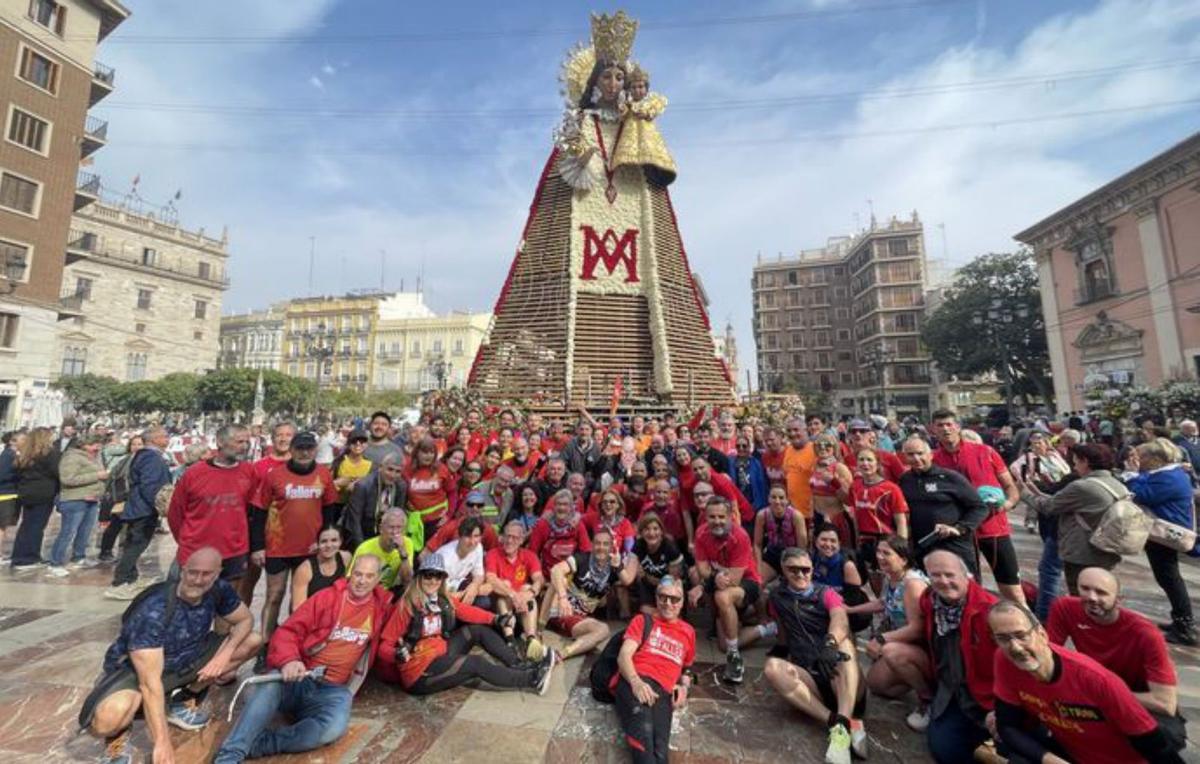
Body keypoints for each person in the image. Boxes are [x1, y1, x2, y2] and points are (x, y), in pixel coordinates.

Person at [83, 547, 261, 764]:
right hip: (135, 673)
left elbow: (245, 620)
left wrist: (224, 655)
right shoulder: (154, 610)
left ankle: (182, 700)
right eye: (192, 572)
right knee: (108, 719)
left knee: (253, 640)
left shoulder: (219, 590)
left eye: (206, 574)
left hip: (187, 659)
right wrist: (162, 742)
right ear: (182, 570)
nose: (197, 580)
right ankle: (118, 737)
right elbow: (150, 683)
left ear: (217, 574)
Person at [214, 554, 390, 764]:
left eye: (369, 576)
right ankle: (230, 754)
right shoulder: (327, 598)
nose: (362, 581)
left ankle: (260, 744)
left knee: (331, 730)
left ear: (378, 579)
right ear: (351, 573)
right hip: (300, 677)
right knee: (270, 683)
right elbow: (288, 631)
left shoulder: (382, 606)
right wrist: (289, 660)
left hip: (333, 689)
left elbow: (404, 618)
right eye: (358, 574)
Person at [990, 600, 1186, 764]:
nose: (1015, 647)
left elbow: (1154, 745)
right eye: (1003, 638)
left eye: (1021, 636)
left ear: (1042, 633)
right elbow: (1007, 726)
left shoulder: (1096, 680)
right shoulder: (1004, 660)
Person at [374, 554, 556, 695]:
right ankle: (532, 679)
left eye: (438, 576)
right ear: (419, 577)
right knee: (474, 664)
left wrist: (495, 619)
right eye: (428, 575)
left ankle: (519, 665)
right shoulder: (407, 606)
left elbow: (466, 611)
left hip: (439, 653)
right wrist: (397, 655)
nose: (433, 581)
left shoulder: (442, 599)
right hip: (419, 672)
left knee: (476, 631)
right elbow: (384, 646)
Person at [1047, 567, 1186, 748]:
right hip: (1095, 688)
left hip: (1137, 695)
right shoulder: (1064, 608)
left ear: (1119, 599)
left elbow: (1165, 703)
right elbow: (1048, 658)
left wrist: (1103, 693)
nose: (1092, 597)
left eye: (1101, 592)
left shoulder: (1146, 633)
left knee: (1167, 739)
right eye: (1085, 588)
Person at [761, 547, 867, 764]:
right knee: (772, 667)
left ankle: (844, 723)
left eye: (805, 569)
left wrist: (830, 643)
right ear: (783, 570)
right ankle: (839, 723)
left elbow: (840, 618)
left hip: (842, 678)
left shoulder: (825, 593)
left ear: (812, 569)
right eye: (793, 570)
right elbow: (781, 627)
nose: (800, 574)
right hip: (811, 678)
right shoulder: (778, 596)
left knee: (845, 644)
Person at [249, 431, 339, 648]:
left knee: (301, 599)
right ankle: (266, 644)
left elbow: (329, 510)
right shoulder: (274, 475)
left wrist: (326, 542)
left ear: (315, 450)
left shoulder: (324, 475)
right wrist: (257, 546)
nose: (305, 452)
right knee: (274, 595)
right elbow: (258, 511)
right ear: (291, 450)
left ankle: (292, 643)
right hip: (278, 547)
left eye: (309, 448)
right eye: (300, 448)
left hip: (309, 548)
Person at [929, 410, 1024, 604]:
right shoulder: (931, 460)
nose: (946, 429)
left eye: (949, 424)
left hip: (993, 531)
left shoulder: (985, 452)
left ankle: (1031, 630)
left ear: (958, 427)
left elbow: (1010, 487)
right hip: (957, 534)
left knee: (1012, 591)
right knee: (965, 592)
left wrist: (1007, 504)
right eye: (940, 425)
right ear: (933, 430)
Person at [913, 550, 999, 764]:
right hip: (952, 695)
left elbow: (1018, 664)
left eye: (950, 575)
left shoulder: (991, 610)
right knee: (945, 750)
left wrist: (1004, 708)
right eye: (935, 575)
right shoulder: (929, 600)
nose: (943, 581)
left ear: (966, 575)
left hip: (992, 700)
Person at [1020, 442, 1127, 594]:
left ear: (1086, 462)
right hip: (1107, 548)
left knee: (1080, 594)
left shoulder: (1082, 486)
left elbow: (1048, 507)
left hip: (1082, 551)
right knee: (1099, 591)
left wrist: (1022, 492)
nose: (1074, 467)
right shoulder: (1117, 484)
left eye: (1076, 462)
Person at [614, 575, 695, 764]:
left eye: (674, 599)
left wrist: (684, 688)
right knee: (644, 744)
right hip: (636, 680)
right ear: (656, 598)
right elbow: (624, 656)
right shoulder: (642, 621)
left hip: (663, 692)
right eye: (663, 597)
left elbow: (688, 668)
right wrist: (636, 682)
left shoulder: (688, 632)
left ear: (682, 602)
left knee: (660, 754)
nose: (668, 603)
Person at [1126, 438, 1197, 645]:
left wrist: (1131, 474)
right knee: (1167, 577)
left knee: (1170, 579)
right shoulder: (1168, 474)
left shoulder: (1170, 477)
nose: (1139, 460)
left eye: (1142, 457)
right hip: (1161, 533)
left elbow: (1141, 494)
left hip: (1166, 534)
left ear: (1155, 459)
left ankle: (1185, 626)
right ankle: (1180, 619)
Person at [167, 424, 257, 584]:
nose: (244, 447)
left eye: (246, 442)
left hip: (234, 552)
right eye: (239, 442)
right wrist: (186, 541)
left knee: (227, 602)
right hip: (196, 550)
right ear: (220, 442)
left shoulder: (249, 472)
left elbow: (249, 509)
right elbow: (176, 513)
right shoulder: (194, 474)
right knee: (192, 600)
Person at [859, 536, 932, 730]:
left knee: (890, 651)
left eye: (887, 553)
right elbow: (883, 603)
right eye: (878, 552)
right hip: (906, 643)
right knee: (876, 684)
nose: (880, 557)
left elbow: (917, 628)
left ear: (904, 559)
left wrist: (882, 639)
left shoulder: (912, 583)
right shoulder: (891, 576)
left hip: (924, 647)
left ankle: (928, 698)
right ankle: (918, 678)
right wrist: (848, 609)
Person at [686, 497, 762, 684]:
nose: (717, 521)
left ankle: (734, 656)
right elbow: (702, 571)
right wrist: (708, 580)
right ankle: (767, 629)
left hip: (747, 583)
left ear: (730, 517)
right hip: (720, 582)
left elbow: (734, 579)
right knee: (721, 644)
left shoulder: (740, 536)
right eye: (712, 517)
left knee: (721, 595)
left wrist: (705, 584)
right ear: (705, 517)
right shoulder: (701, 533)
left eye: (721, 516)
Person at [543, 527, 636, 660]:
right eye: (597, 543)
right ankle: (551, 643)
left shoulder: (613, 566)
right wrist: (563, 598)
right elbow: (556, 570)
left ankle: (562, 653)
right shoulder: (582, 558)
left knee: (602, 630)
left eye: (605, 544)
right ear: (592, 544)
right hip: (561, 609)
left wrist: (619, 566)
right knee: (560, 578)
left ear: (611, 547)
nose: (601, 547)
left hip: (578, 618)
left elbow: (627, 581)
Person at [897, 436, 987, 574]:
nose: (916, 458)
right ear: (904, 457)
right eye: (910, 454)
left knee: (965, 591)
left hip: (954, 547)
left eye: (920, 453)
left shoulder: (951, 477)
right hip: (922, 549)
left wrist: (959, 528)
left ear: (931, 455)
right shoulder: (905, 480)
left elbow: (980, 507)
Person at [103, 426, 171, 598]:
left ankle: (131, 578)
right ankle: (119, 582)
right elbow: (151, 485)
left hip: (138, 506)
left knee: (133, 543)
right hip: (143, 508)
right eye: (164, 436)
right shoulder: (151, 458)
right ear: (154, 439)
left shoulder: (143, 455)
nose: (168, 439)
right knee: (136, 545)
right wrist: (159, 505)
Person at [848, 448, 908, 588]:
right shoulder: (855, 485)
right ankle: (881, 607)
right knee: (873, 578)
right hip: (865, 540)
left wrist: (901, 548)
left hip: (886, 539)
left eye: (869, 460)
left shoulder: (891, 488)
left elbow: (901, 521)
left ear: (877, 464)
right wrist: (857, 540)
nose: (865, 463)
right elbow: (856, 516)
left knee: (891, 578)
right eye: (861, 460)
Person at [485, 520, 546, 658]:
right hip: (501, 611)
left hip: (522, 610)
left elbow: (539, 579)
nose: (510, 540)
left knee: (527, 587)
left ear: (522, 540)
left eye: (515, 537)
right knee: (504, 585)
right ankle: (510, 640)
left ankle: (531, 638)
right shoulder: (493, 554)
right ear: (502, 537)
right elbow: (491, 579)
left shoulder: (529, 555)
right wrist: (514, 595)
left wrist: (529, 593)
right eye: (507, 536)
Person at [49, 433, 107, 576]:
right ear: (84, 445)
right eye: (94, 444)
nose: (97, 447)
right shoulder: (72, 457)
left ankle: (79, 557)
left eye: (98, 444)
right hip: (75, 499)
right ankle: (55, 562)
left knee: (85, 531)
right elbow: (68, 479)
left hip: (92, 499)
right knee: (68, 532)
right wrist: (97, 476)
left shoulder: (94, 457)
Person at [10, 427, 61, 572]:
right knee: (37, 526)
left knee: (26, 525)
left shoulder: (26, 453)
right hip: (43, 493)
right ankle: (29, 558)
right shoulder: (50, 454)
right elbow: (57, 472)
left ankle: (18, 556)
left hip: (26, 492)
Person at [340, 451, 408, 550]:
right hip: (362, 535)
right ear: (381, 467)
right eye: (390, 469)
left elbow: (398, 516)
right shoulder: (363, 486)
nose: (393, 475)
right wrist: (362, 548)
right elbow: (354, 522)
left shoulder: (401, 486)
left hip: (385, 537)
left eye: (398, 471)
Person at [629, 511, 685, 616]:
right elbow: (632, 569)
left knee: (672, 590)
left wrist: (651, 578)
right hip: (647, 584)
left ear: (661, 531)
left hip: (669, 585)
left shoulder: (670, 547)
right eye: (647, 529)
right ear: (641, 532)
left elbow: (673, 579)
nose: (651, 533)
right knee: (644, 609)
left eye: (655, 529)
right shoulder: (638, 545)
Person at [404, 437, 454, 549]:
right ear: (417, 453)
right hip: (414, 521)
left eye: (431, 452)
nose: (428, 456)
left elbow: (452, 492)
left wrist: (448, 514)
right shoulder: (407, 469)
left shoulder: (442, 469)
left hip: (436, 521)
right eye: (424, 452)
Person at [349, 508, 414, 593]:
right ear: (381, 528)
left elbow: (407, 580)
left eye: (399, 528)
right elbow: (351, 580)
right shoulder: (365, 548)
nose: (395, 533)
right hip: (367, 591)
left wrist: (403, 554)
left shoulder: (407, 543)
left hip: (389, 593)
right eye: (391, 527)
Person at [752, 484, 806, 584]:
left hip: (792, 554)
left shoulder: (796, 516)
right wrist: (758, 567)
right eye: (774, 497)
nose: (777, 501)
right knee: (758, 581)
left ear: (787, 500)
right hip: (773, 553)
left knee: (795, 583)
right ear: (768, 499)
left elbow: (802, 547)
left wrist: (797, 567)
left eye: (781, 498)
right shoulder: (762, 515)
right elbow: (757, 544)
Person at [290, 524, 352, 611]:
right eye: (324, 541)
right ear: (317, 544)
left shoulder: (346, 558)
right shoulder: (304, 570)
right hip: (312, 615)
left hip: (337, 613)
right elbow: (297, 608)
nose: (329, 545)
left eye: (334, 540)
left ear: (340, 542)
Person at [529, 488, 592, 572]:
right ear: (554, 506)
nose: (562, 508)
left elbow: (586, 551)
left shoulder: (577, 525)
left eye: (565, 504)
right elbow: (532, 553)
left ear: (571, 507)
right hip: (546, 573)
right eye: (559, 504)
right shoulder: (543, 525)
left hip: (570, 573)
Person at [424, 489, 501, 554]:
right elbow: (426, 552)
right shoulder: (452, 526)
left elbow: (494, 554)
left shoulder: (489, 530)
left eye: (479, 505)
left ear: (483, 508)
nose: (475, 508)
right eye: (471, 504)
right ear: (465, 506)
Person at [434, 516, 489, 605]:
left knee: (484, 601)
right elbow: (436, 592)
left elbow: (479, 575)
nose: (472, 541)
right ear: (460, 536)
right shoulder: (444, 557)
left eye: (476, 536)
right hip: (438, 595)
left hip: (456, 586)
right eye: (468, 536)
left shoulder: (478, 547)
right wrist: (465, 594)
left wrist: (474, 587)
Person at [843, 419, 907, 482]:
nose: (857, 434)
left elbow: (905, 480)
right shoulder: (847, 460)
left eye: (862, 431)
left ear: (870, 435)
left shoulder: (889, 458)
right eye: (853, 431)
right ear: (849, 436)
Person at [329, 428, 371, 515]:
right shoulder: (339, 462)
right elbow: (326, 486)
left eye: (362, 441)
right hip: (337, 507)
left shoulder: (370, 464)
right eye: (354, 441)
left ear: (366, 444)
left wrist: (358, 487)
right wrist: (337, 483)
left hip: (359, 509)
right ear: (348, 444)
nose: (358, 443)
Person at [730, 436, 769, 511]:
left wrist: (760, 505)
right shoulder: (730, 462)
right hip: (737, 505)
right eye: (738, 446)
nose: (741, 448)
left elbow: (762, 485)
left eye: (744, 446)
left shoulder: (756, 463)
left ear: (749, 447)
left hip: (753, 504)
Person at [0, 430, 20, 565]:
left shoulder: (8, 454)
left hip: (7, 493)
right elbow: (3, 475)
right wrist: (18, 475)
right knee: (2, 526)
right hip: (6, 494)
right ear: (12, 441)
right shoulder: (9, 455)